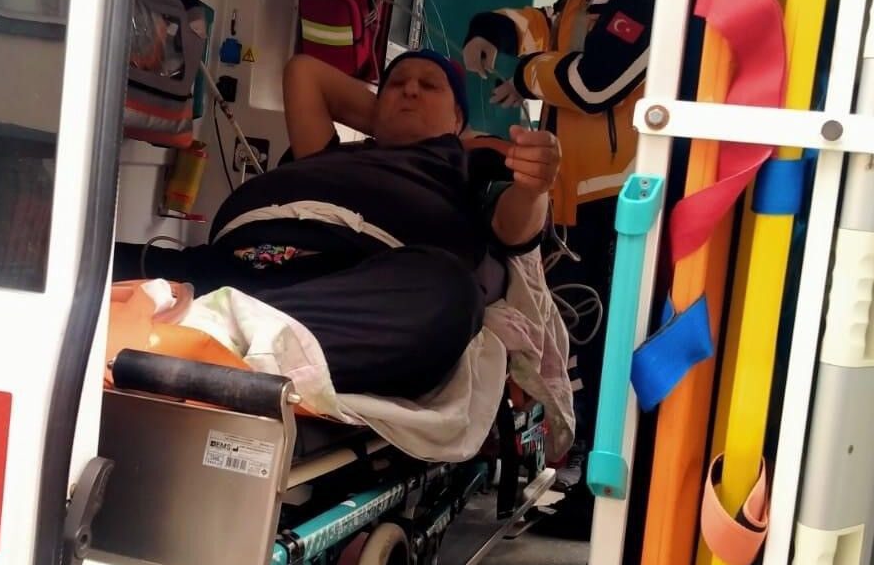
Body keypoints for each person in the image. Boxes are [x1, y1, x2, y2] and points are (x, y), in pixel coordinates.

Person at [114, 49, 561, 400]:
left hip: (341, 286)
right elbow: (303, 71)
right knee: (85, 256)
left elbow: (513, 230)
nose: (409, 90)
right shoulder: (329, 154)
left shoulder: (465, 166)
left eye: (429, 85)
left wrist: (533, 187)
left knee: (453, 296)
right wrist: (388, 119)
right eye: (396, 84)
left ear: (459, 117)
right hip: (223, 268)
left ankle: (226, 330)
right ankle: (226, 328)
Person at [461, 0, 663, 538]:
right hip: (576, 198)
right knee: (584, 346)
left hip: (619, 198)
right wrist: (492, 29)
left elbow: (595, 81)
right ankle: (589, 489)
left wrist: (525, 73)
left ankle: (605, 509)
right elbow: (549, 22)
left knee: (611, 353)